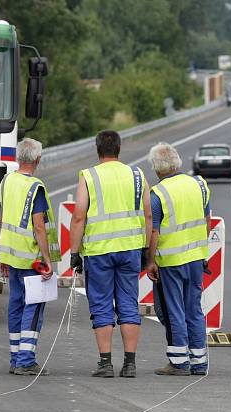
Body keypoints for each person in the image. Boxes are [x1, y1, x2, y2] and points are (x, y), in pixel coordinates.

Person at [70, 130, 152, 378]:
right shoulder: (138, 175)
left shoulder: (89, 176)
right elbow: (148, 214)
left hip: (99, 252)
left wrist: (75, 252)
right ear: (119, 148)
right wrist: (146, 248)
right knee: (128, 304)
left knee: (102, 305)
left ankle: (105, 363)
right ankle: (130, 364)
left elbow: (78, 216)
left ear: (97, 149)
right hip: (130, 250)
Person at [145, 143, 211, 376]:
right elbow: (207, 219)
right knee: (193, 309)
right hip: (196, 258)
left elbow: (154, 231)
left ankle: (179, 362)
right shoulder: (199, 185)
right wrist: (202, 250)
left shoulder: (158, 194)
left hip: (170, 261)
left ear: (156, 168)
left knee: (174, 310)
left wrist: (150, 261)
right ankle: (200, 362)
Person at [0, 138, 60, 376]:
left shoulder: (7, 181)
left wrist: (2, 256)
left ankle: (16, 357)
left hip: (11, 254)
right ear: (37, 159)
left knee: (15, 305)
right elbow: (39, 227)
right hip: (30, 258)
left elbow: (4, 216)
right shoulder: (36, 187)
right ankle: (26, 359)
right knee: (33, 308)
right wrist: (47, 258)